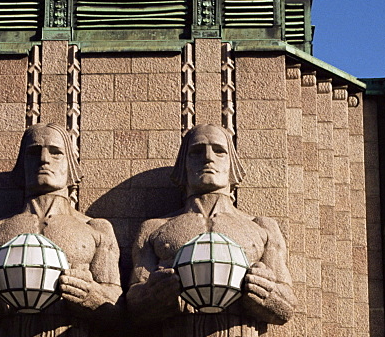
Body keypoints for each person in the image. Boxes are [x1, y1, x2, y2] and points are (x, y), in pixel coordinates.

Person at [126, 123, 296, 325]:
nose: (208, 158)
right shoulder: (154, 229)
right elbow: (133, 303)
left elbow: (287, 306)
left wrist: (267, 293)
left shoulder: (261, 227)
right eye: (196, 151)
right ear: (183, 164)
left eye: (219, 151)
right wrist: (152, 295)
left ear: (231, 163)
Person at [0, 122, 121, 325]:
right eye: (34, 153)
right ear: (22, 164)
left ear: (69, 163)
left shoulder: (95, 229)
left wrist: (91, 295)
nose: (44, 160)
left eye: (56, 153)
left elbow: (117, 304)